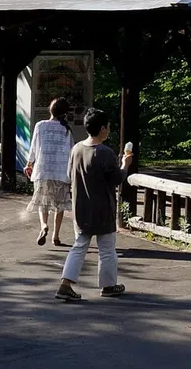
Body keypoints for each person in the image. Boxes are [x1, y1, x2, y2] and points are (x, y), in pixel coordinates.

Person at [56, 108, 136, 302]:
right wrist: (125, 164)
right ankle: (108, 285)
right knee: (107, 248)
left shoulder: (76, 149)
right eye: (107, 127)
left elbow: (68, 175)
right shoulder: (105, 153)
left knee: (79, 245)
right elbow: (117, 178)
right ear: (102, 129)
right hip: (103, 208)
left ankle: (65, 284)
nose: (108, 130)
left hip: (81, 207)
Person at [24, 96, 75, 247]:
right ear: (65, 112)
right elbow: (72, 152)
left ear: (50, 109)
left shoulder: (40, 126)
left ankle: (43, 225)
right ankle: (56, 236)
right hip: (61, 172)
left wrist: (29, 164)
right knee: (60, 205)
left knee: (42, 202)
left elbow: (34, 148)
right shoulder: (67, 130)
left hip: (43, 170)